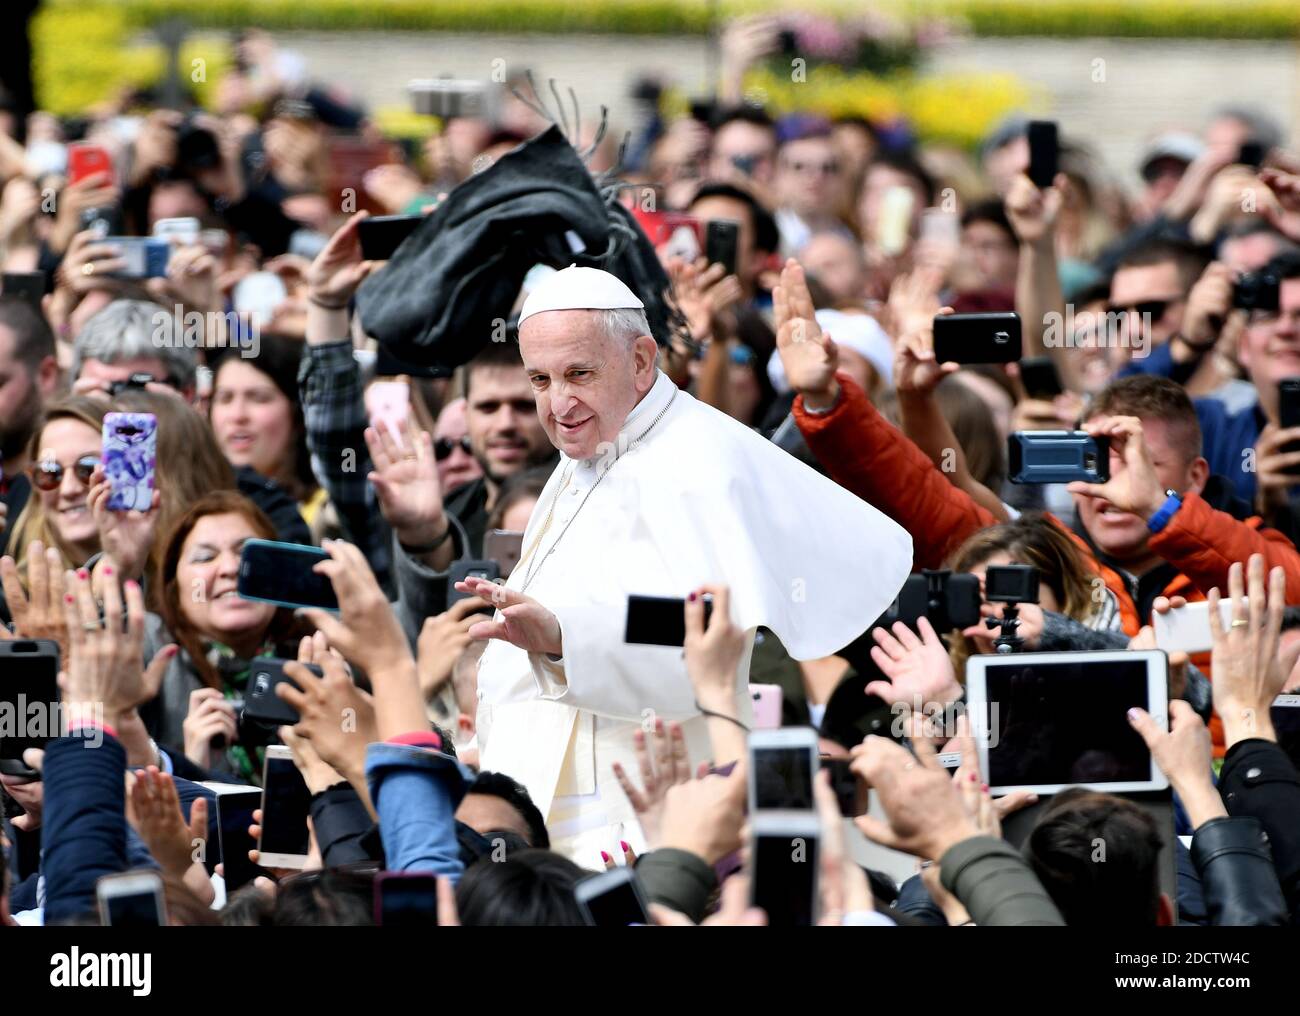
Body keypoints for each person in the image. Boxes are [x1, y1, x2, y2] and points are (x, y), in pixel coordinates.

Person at [451, 261, 912, 863]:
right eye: (539, 379)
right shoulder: (590, 448)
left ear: (642, 361)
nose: (558, 403)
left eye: (578, 374)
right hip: (551, 803)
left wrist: (562, 637)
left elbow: (700, 652)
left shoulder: (696, 463)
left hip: (638, 812)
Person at [144, 490, 312, 781]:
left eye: (248, 551)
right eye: (206, 557)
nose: (232, 568)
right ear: (174, 589)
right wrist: (193, 770)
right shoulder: (153, 658)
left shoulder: (321, 650)